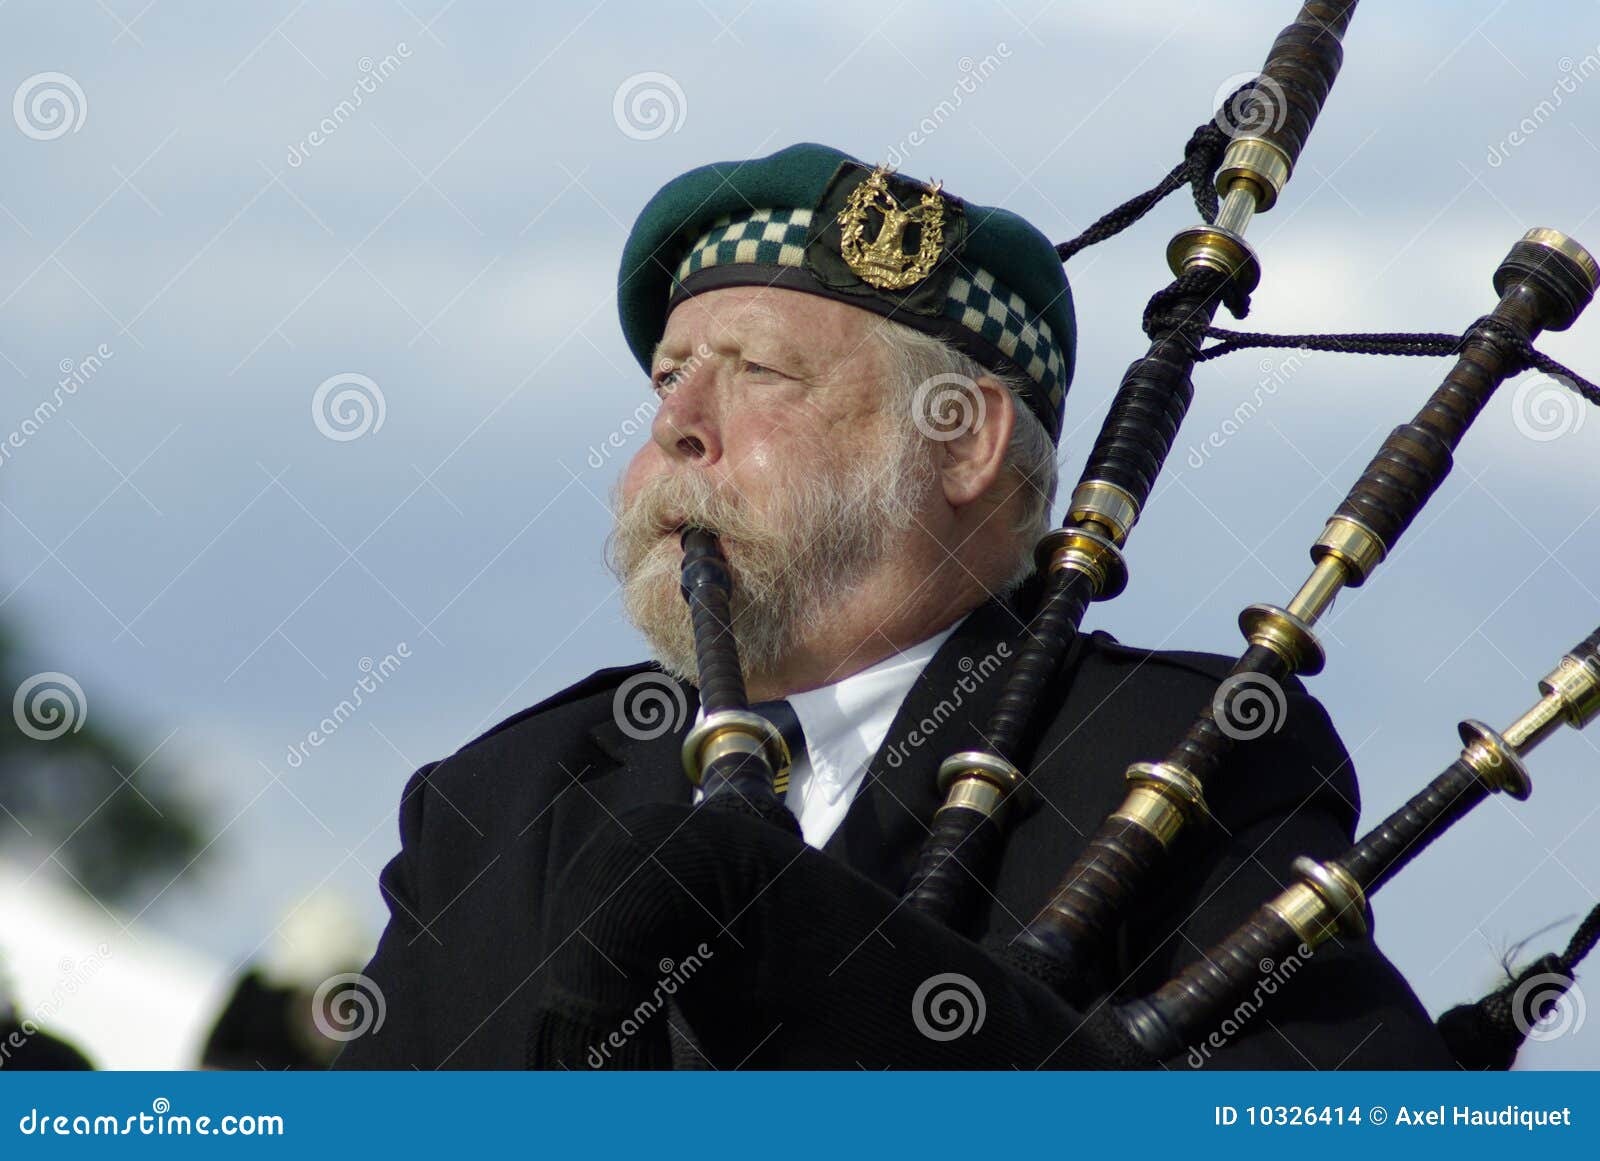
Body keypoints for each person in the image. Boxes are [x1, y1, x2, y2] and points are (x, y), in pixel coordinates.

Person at [335, 142, 1451, 1069]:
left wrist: (823, 957)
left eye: (758, 371)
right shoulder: (498, 801)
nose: (679, 423)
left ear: (962, 442)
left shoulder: (1171, 753)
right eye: (670, 376)